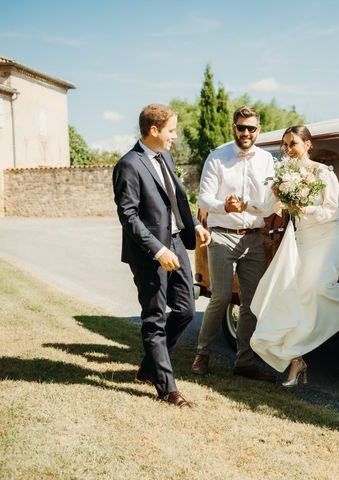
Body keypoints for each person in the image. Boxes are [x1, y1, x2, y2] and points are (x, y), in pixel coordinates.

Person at [112, 104, 210, 407]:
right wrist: (157, 249)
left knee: (185, 311)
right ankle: (167, 389)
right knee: (154, 319)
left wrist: (193, 224)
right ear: (153, 130)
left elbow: (176, 198)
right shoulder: (128, 164)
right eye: (171, 130)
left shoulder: (165, 156)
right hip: (149, 253)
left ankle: (148, 366)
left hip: (178, 242)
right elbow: (128, 217)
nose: (175, 136)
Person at [250, 125, 339, 387]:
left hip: (329, 236)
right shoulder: (284, 174)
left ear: (308, 145)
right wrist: (246, 205)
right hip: (302, 240)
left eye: (293, 143)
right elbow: (267, 210)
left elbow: (332, 211)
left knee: (318, 287)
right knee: (290, 297)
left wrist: (303, 207)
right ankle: (296, 360)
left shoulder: (323, 172)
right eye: (285, 144)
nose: (288, 149)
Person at [192, 106, 278, 382]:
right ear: (234, 128)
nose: (246, 133)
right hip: (223, 234)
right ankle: (202, 354)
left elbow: (269, 201)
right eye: (241, 127)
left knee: (252, 302)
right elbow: (203, 198)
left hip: (254, 238)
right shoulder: (217, 157)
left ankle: (244, 362)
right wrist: (223, 206)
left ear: (258, 131)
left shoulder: (267, 160)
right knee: (220, 297)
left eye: (251, 128)